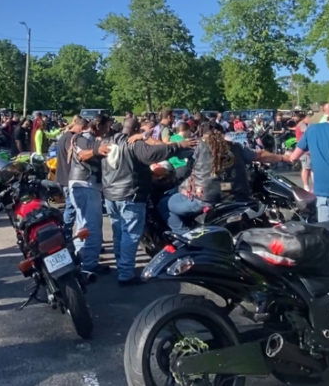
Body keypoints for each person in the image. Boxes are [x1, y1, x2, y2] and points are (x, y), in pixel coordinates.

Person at [102, 118, 194, 285]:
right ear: (136, 128)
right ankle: (125, 274)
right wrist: (179, 145)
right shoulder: (134, 144)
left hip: (111, 195)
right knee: (130, 235)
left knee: (119, 232)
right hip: (130, 194)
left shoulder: (108, 142)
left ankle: (121, 266)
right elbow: (153, 154)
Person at [167, 122, 285, 233]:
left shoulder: (198, 146)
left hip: (207, 199)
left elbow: (173, 153)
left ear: (202, 134)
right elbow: (260, 155)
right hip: (238, 196)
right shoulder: (236, 147)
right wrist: (284, 158)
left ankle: (187, 239)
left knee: (166, 204)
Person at [68, 114, 111, 278]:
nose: (108, 130)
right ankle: (89, 265)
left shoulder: (85, 137)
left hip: (83, 184)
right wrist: (96, 150)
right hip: (85, 184)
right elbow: (82, 155)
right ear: (98, 125)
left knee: (83, 225)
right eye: (106, 126)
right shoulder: (84, 138)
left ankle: (82, 260)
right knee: (92, 227)